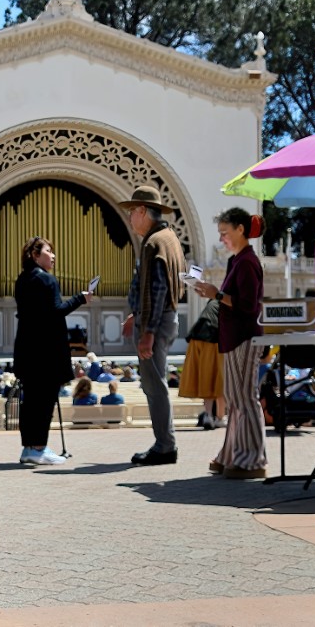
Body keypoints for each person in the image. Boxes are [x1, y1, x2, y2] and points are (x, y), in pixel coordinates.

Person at [195, 208, 267, 479]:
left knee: (245, 399)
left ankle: (252, 460)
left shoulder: (248, 262)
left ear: (240, 229)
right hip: (234, 337)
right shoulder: (237, 261)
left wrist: (218, 294)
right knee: (236, 400)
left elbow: (248, 305)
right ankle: (234, 454)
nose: (222, 238)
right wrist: (214, 294)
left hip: (244, 336)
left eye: (225, 233)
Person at [119, 186, 185, 466]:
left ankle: (165, 445)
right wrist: (138, 314)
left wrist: (148, 330)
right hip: (162, 319)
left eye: (133, 211)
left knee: (154, 385)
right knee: (154, 383)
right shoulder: (168, 238)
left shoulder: (153, 242)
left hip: (156, 324)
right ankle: (164, 442)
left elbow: (158, 290)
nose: (131, 217)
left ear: (144, 211)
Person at [14, 236, 91, 465]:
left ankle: (29, 447)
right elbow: (56, 311)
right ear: (35, 255)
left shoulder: (21, 280)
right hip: (46, 351)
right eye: (48, 251)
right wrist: (81, 298)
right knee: (44, 401)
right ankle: (39, 448)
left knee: (30, 402)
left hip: (27, 348)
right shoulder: (47, 280)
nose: (53, 255)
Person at [179, 298, 226, 430]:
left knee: (206, 378)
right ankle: (220, 418)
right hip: (216, 340)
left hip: (197, 338)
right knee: (220, 380)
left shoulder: (211, 304)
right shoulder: (226, 302)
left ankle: (208, 416)